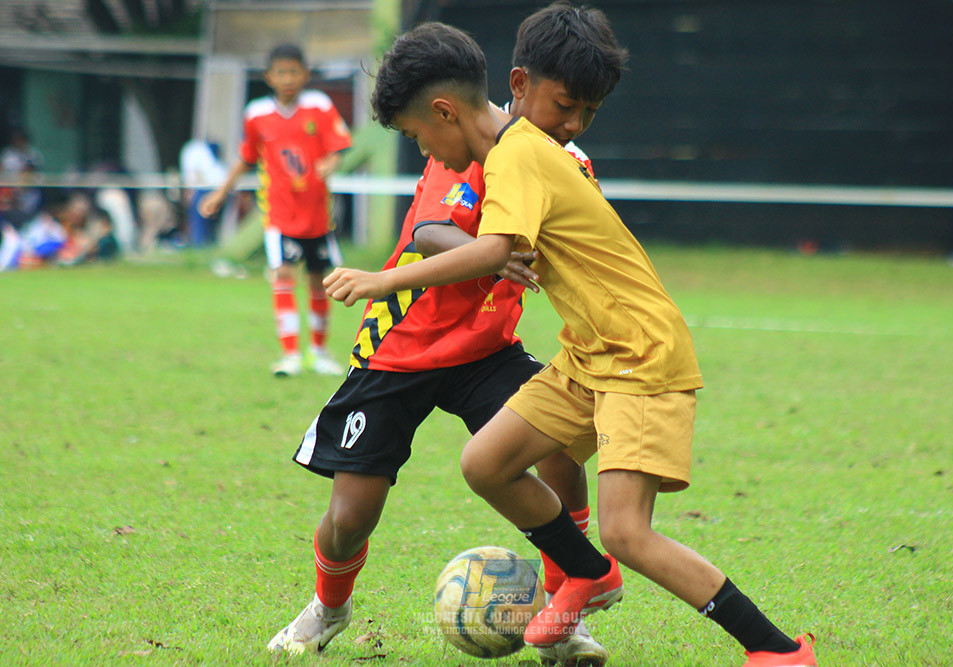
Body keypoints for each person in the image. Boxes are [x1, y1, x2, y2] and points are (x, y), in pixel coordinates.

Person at [326, 22, 818, 667]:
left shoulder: (520, 153)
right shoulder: (520, 152)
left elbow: (496, 249)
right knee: (486, 462)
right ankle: (587, 572)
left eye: (420, 136)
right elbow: (500, 243)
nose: (427, 152)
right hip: (589, 354)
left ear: (444, 112)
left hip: (639, 358)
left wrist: (383, 278)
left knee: (627, 531)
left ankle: (775, 651)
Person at [266, 5, 625, 664]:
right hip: (400, 346)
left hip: (486, 350)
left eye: (582, 111)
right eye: (565, 105)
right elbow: (430, 228)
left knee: (559, 451)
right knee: (350, 518)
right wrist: (493, 249)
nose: (571, 122)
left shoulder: (561, 163)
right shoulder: (470, 142)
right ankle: (329, 605)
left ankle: (563, 610)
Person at [200, 43, 352, 376]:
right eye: (281, 72)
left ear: (306, 74)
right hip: (280, 215)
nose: (288, 79)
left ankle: (319, 351)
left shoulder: (319, 106)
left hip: (317, 216)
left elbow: (339, 146)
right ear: (269, 77)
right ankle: (290, 354)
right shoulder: (257, 114)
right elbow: (246, 158)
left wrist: (331, 161)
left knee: (318, 281)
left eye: (294, 71)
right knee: (283, 275)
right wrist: (220, 192)